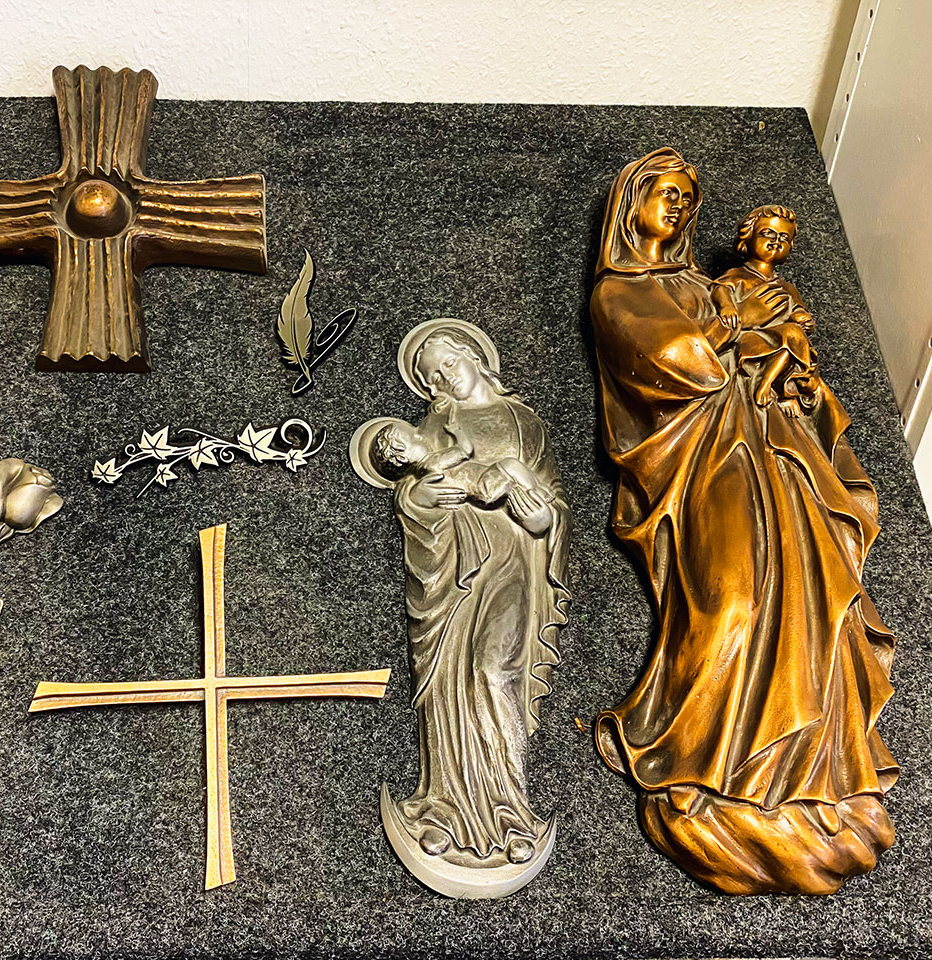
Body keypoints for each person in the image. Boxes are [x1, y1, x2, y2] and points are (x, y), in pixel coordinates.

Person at [590, 148, 898, 894]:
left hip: (770, 452)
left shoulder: (707, 285)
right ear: (631, 203)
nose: (676, 207)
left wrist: (790, 373)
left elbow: (774, 353)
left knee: (810, 606)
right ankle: (690, 761)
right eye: (663, 193)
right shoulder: (618, 292)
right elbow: (674, 360)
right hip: (700, 461)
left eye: (685, 198)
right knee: (728, 603)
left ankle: (806, 780)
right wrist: (735, 320)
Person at [385, 324, 570, 866]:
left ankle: (510, 810)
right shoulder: (437, 423)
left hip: (513, 560)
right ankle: (445, 809)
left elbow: (554, 500)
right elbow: (413, 489)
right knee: (450, 677)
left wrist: (544, 521)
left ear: (471, 355)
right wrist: (421, 498)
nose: (444, 379)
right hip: (452, 567)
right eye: (433, 376)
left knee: (494, 668)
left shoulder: (524, 422)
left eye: (448, 364)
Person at [711, 204, 819, 410]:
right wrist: (728, 307)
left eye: (784, 237)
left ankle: (772, 384)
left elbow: (798, 310)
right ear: (748, 237)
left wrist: (803, 319)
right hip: (750, 340)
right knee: (791, 337)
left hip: (782, 342)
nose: (776, 241)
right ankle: (766, 382)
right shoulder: (737, 275)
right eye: (767, 233)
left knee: (795, 337)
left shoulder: (787, 288)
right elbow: (720, 290)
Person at [370, 420, 554, 534]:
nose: (422, 437)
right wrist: (457, 431)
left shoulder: (425, 473)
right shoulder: (434, 462)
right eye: (414, 439)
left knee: (512, 478)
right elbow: (465, 450)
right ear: (403, 458)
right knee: (510, 464)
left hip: (482, 493)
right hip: (484, 483)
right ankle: (535, 490)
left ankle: (529, 499)